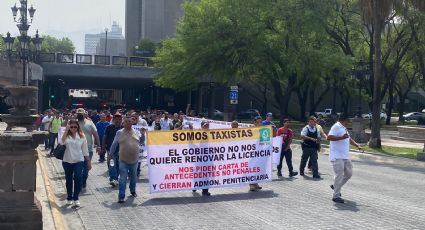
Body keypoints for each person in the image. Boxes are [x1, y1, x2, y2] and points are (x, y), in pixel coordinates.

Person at [327, 114, 362, 203]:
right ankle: (336, 196)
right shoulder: (336, 126)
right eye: (348, 121)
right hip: (337, 156)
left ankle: (335, 186)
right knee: (339, 175)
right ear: (344, 120)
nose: (348, 123)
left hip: (345, 156)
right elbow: (329, 137)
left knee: (349, 173)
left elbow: (348, 139)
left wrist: (357, 145)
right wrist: (341, 137)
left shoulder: (343, 128)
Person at [110, 116, 143, 203]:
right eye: (126, 122)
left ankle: (132, 190)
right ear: (123, 123)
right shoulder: (119, 132)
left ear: (132, 122)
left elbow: (142, 141)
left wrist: (143, 134)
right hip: (123, 160)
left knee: (133, 178)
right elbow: (114, 144)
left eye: (130, 121)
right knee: (123, 179)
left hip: (134, 160)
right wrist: (110, 154)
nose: (128, 123)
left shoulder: (136, 132)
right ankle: (121, 196)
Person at [61, 120, 92, 207]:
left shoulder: (82, 136)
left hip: (79, 160)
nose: (73, 128)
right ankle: (69, 197)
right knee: (69, 179)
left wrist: (88, 161)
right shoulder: (66, 135)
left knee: (78, 178)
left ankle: (76, 197)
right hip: (67, 160)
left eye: (75, 127)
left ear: (78, 127)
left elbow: (85, 150)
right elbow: (61, 142)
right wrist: (66, 130)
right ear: (69, 127)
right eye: (71, 127)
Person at [76, 108, 100, 188]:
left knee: (86, 168)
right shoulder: (74, 123)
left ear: (84, 114)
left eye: (81, 114)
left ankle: (84, 180)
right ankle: (78, 181)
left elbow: (95, 134)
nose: (79, 115)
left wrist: (98, 146)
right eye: (78, 114)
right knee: (78, 167)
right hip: (76, 150)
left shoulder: (90, 123)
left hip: (88, 149)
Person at [192, 120, 212, 196]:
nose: (207, 127)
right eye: (205, 125)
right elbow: (191, 142)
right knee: (197, 172)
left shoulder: (212, 134)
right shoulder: (198, 133)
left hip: (208, 157)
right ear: (201, 126)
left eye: (207, 125)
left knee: (206, 173)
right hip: (199, 157)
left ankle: (205, 190)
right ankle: (195, 185)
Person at [103, 113, 123, 187]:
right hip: (110, 150)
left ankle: (116, 179)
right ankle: (113, 179)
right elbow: (104, 137)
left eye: (119, 119)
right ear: (113, 119)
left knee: (119, 166)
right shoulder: (109, 127)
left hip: (121, 151)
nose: (118, 120)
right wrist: (103, 147)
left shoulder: (124, 128)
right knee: (112, 164)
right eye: (116, 119)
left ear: (121, 120)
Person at [249, 116, 263, 191]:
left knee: (258, 168)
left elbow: (265, 142)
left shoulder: (264, 130)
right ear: (254, 123)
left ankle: (256, 183)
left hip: (260, 153)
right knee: (252, 168)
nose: (259, 124)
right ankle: (251, 184)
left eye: (260, 122)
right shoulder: (251, 130)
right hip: (252, 153)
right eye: (257, 122)